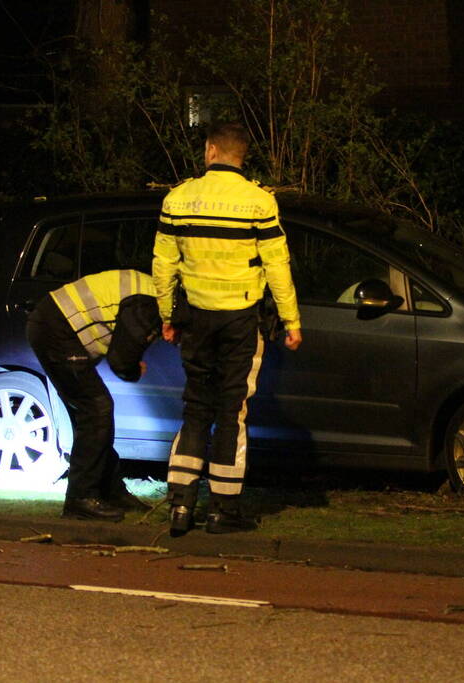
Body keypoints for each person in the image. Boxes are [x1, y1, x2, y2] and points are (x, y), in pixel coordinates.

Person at [153, 121, 302, 536]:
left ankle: (181, 505)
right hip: (240, 319)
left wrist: (167, 315)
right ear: (242, 155)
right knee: (231, 411)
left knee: (195, 406)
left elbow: (164, 265)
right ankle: (223, 509)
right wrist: (291, 321)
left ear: (211, 150)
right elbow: (277, 265)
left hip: (196, 318)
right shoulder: (259, 202)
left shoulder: (178, 199)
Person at [26, 268, 161, 521]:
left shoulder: (150, 293)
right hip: (55, 329)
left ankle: (110, 491)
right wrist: (133, 369)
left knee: (94, 414)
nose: (172, 340)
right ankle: (80, 498)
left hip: (53, 325)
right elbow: (121, 361)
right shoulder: (148, 304)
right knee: (97, 408)